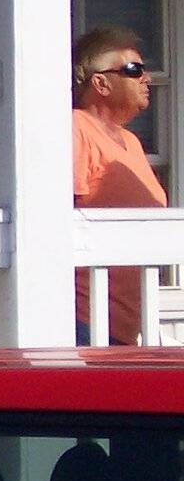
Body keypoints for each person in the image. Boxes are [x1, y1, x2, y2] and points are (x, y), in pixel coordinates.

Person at [71, 24, 166, 346]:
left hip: (122, 326)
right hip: (83, 321)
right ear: (100, 82)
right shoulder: (76, 128)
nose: (146, 78)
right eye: (133, 70)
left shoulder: (131, 142)